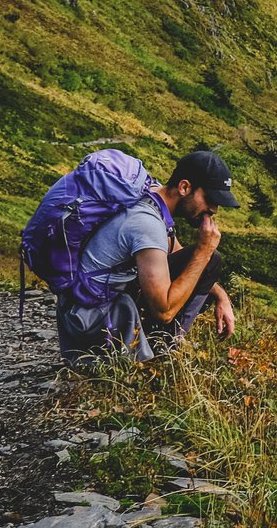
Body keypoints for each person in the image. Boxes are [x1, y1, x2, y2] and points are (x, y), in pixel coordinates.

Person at [58, 149, 240, 367]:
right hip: (89, 322)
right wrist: (204, 251)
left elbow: (180, 258)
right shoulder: (147, 223)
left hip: (88, 305)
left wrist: (221, 296)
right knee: (205, 260)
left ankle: (162, 347)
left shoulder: (152, 196)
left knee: (208, 263)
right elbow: (164, 311)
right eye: (210, 199)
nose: (213, 210)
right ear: (184, 187)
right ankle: (162, 355)